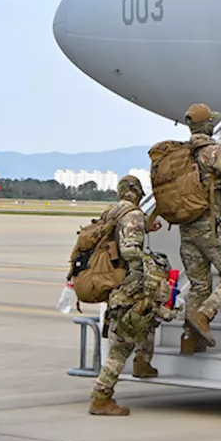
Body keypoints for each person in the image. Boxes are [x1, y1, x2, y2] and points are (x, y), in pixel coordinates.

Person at [176, 103, 221, 354]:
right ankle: (204, 316)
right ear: (208, 125)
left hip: (187, 229)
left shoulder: (180, 154)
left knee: (198, 286)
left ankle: (190, 340)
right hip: (209, 226)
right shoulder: (212, 152)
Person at [89, 175, 160, 416]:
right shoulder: (134, 214)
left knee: (149, 318)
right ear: (138, 193)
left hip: (115, 284)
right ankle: (101, 396)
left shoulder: (111, 213)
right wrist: (150, 264)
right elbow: (130, 250)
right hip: (129, 287)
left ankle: (143, 362)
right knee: (120, 346)